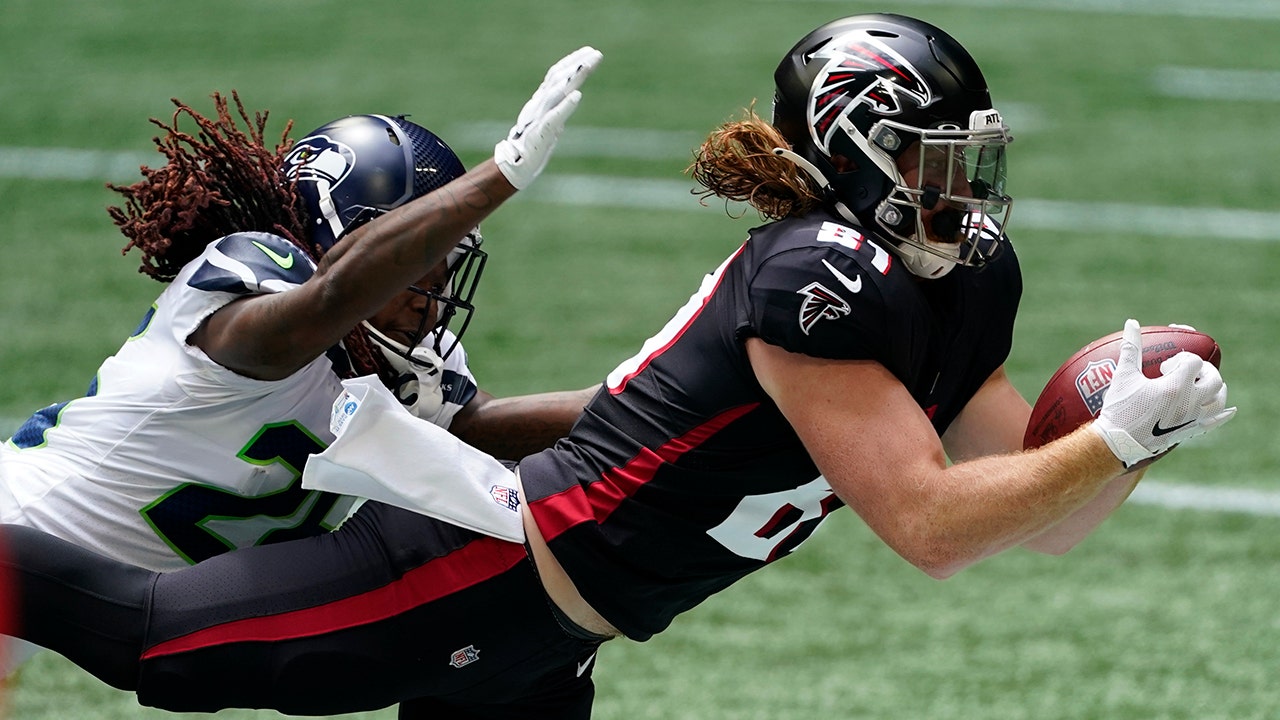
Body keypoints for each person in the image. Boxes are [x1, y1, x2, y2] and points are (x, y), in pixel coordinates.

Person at [0, 15, 1235, 719]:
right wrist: (1107, 443)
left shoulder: (960, 281)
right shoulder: (817, 273)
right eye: (929, 153)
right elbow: (927, 526)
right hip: (481, 572)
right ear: (858, 148)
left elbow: (1034, 516)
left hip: (559, 623)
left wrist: (1124, 441)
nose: (957, 183)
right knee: (153, 642)